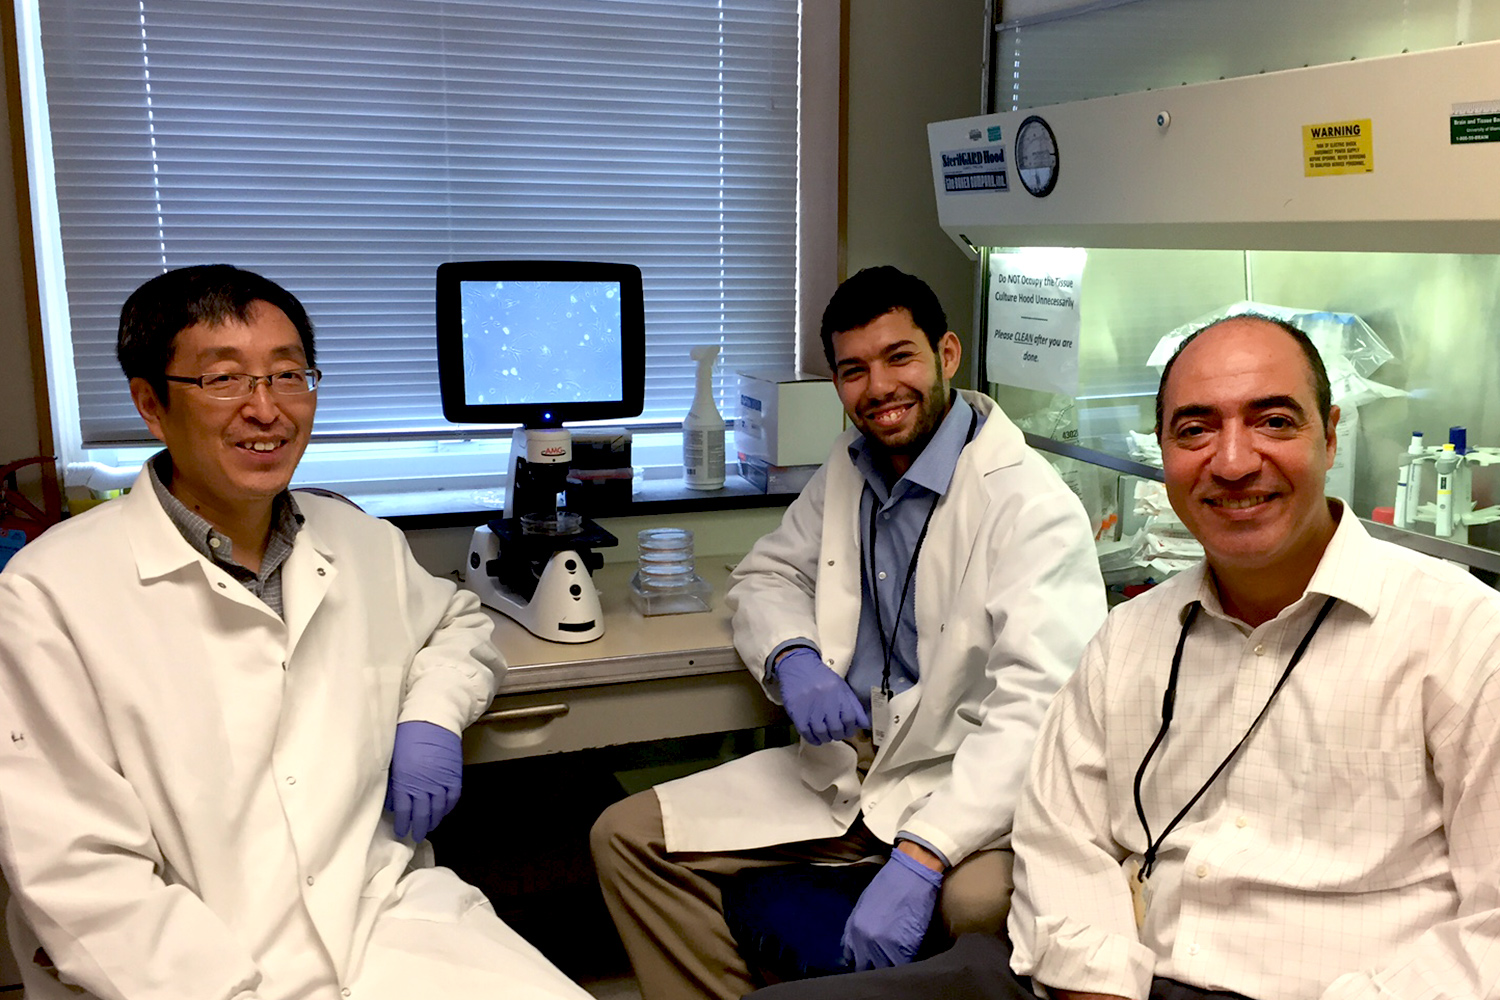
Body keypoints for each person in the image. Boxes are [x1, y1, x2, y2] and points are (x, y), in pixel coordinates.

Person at [750, 312, 1500, 1000]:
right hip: (1117, 980)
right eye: (1195, 430)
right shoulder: (1133, 636)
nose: (1233, 461)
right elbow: (1061, 839)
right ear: (1165, 450)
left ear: (1331, 436)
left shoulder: (1463, 638)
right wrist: (1095, 980)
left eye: (1273, 420)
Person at [0, 265, 590, 1000]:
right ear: (151, 404)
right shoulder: (50, 593)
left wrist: (432, 715)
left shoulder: (356, 538)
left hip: (388, 923)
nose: (267, 410)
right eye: (224, 380)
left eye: (288, 375)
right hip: (189, 966)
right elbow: (82, 875)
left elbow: (455, 621)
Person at [590, 265, 1107, 1000]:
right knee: (624, 837)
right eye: (853, 370)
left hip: (962, 777)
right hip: (851, 766)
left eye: (900, 357)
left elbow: (1039, 712)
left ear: (948, 355)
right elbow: (767, 577)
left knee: (972, 903)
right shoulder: (849, 465)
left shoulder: (1028, 505)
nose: (878, 388)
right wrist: (793, 656)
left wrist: (927, 855)